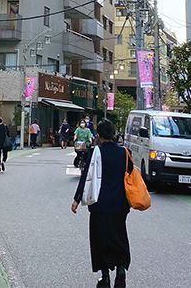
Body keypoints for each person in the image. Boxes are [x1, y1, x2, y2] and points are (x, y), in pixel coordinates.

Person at [71, 119, 133, 288]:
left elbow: (86, 176)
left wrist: (77, 199)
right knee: (119, 236)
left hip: (99, 203)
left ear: (99, 135)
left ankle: (104, 276)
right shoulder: (124, 153)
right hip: (120, 203)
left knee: (100, 238)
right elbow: (130, 175)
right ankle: (121, 269)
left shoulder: (95, 152)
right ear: (113, 134)